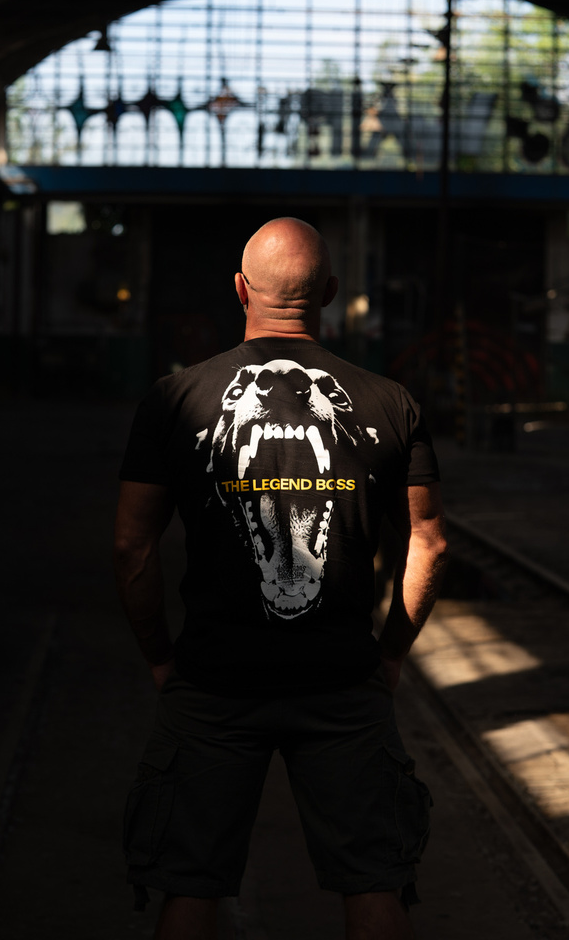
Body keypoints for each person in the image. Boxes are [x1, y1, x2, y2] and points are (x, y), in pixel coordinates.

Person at [114, 217, 448, 940]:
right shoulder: (391, 402)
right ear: (330, 292)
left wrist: (161, 658)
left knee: (188, 884)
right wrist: (391, 653)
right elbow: (430, 542)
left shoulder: (173, 399)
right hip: (342, 682)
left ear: (240, 289)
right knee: (375, 883)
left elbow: (132, 547)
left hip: (212, 681)